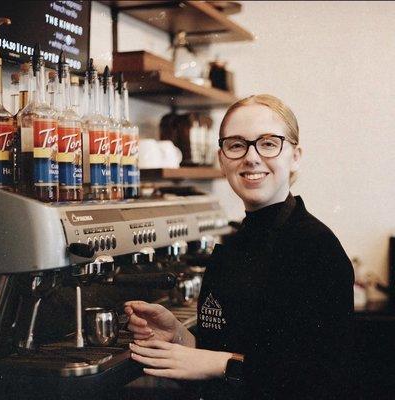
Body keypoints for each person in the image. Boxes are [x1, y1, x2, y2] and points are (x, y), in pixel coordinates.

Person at [125, 94, 355, 399]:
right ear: (222, 159)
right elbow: (230, 355)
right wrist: (180, 337)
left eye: (269, 143)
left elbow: (318, 377)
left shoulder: (317, 249)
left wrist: (217, 362)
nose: (251, 157)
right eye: (236, 145)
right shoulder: (236, 243)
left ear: (295, 155)